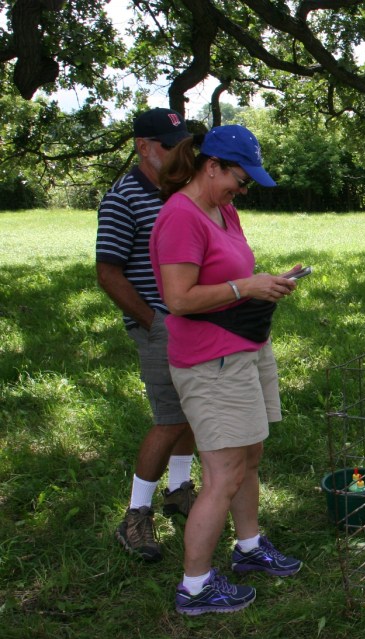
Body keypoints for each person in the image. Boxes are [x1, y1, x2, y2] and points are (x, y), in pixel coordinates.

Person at [151, 124, 304, 615]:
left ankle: (249, 547)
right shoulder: (181, 217)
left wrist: (265, 284)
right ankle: (195, 587)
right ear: (210, 165)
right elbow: (178, 298)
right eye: (240, 178)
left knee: (249, 457)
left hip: (243, 348)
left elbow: (230, 274)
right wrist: (247, 289)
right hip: (210, 362)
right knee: (223, 474)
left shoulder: (223, 209)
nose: (243, 188)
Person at [96, 108, 199, 562]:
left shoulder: (180, 193)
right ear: (142, 147)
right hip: (159, 324)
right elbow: (108, 272)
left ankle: (178, 489)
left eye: (184, 145)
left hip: (193, 321)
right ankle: (135, 515)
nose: (182, 154)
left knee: (192, 410)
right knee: (170, 418)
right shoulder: (123, 198)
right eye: (169, 146)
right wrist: (153, 322)